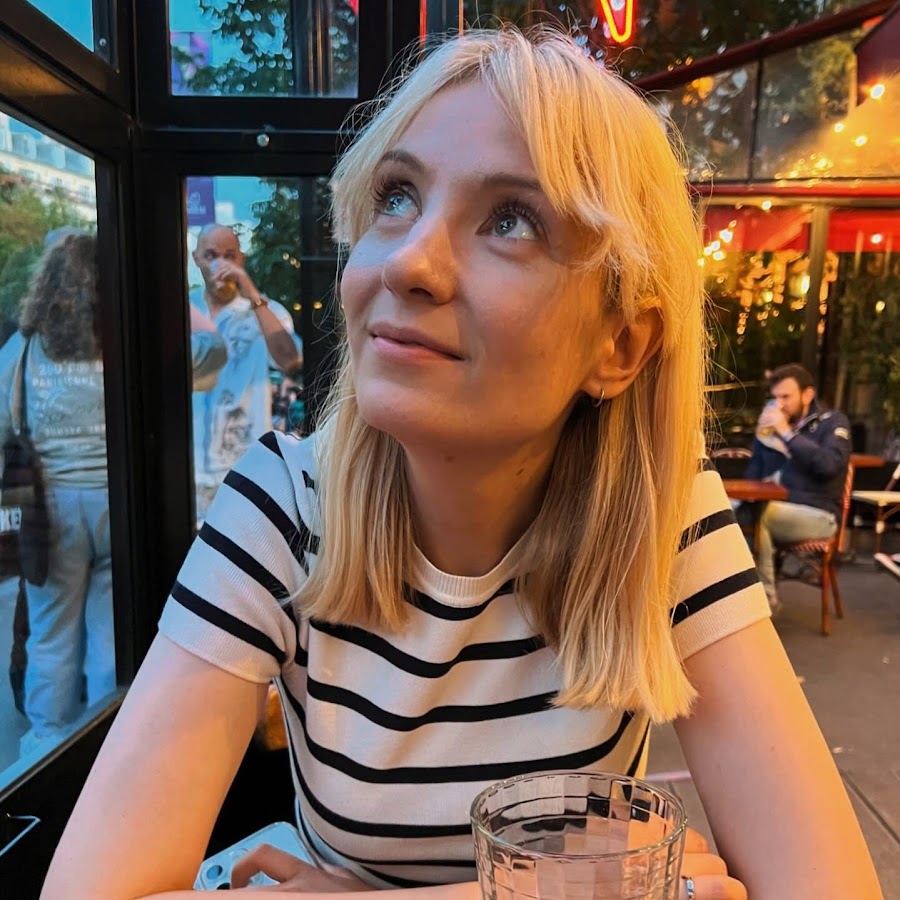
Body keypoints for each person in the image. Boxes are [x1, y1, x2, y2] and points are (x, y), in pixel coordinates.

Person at [42, 28, 882, 900]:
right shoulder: (284, 508)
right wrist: (565, 890)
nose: (409, 260)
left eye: (511, 219)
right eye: (397, 196)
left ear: (621, 345)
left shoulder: (664, 516)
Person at [0, 232, 114, 756]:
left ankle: (47, 742)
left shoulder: (22, 351)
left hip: (50, 508)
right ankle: (105, 734)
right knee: (109, 630)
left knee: (50, 632)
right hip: (117, 503)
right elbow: (209, 352)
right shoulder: (120, 337)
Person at [190, 223, 302, 520]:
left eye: (229, 256)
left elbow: (290, 360)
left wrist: (252, 294)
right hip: (190, 469)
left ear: (241, 259)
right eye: (211, 255)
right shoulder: (186, 309)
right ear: (196, 259)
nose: (221, 264)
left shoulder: (267, 312)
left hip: (246, 469)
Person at [742, 363, 852, 611]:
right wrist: (762, 439)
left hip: (820, 514)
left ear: (807, 394)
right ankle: (736, 595)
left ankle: (764, 598)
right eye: (775, 398)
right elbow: (753, 477)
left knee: (763, 514)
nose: (779, 404)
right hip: (776, 508)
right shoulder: (773, 429)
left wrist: (787, 434)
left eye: (786, 397)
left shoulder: (832, 422)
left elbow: (828, 465)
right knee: (730, 512)